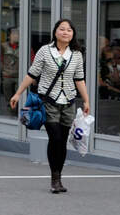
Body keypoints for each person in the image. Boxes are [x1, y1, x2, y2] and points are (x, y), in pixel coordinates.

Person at [10, 18, 91, 194]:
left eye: (69, 30)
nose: (65, 32)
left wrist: (86, 100)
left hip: (68, 102)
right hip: (48, 101)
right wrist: (18, 93)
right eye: (62, 29)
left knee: (62, 142)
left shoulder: (76, 54)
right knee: (54, 138)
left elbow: (79, 79)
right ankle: (54, 178)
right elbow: (32, 74)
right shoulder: (45, 51)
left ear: (73, 34)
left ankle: (59, 177)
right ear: (55, 32)